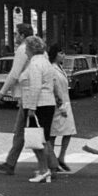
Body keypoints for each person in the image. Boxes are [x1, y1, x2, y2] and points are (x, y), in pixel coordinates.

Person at [0, 23, 34, 175]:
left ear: (23, 36)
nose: (15, 37)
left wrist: (2, 92)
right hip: (32, 96)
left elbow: (14, 73)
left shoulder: (23, 50)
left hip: (27, 96)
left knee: (26, 132)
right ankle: (10, 163)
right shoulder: (37, 50)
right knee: (21, 132)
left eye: (17, 34)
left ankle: (51, 164)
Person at [19, 36, 57, 183]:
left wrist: (31, 108)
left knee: (37, 140)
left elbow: (35, 86)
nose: (25, 52)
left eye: (26, 48)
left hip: (38, 105)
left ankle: (44, 169)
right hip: (48, 103)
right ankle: (47, 168)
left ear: (30, 49)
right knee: (43, 138)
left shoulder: (34, 64)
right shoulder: (45, 62)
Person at [47, 44, 76, 172]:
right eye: (61, 53)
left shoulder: (60, 68)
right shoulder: (52, 69)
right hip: (58, 106)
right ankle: (52, 160)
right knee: (53, 134)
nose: (63, 55)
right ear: (55, 54)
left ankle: (61, 157)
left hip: (66, 103)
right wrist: (60, 106)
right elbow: (54, 89)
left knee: (68, 131)